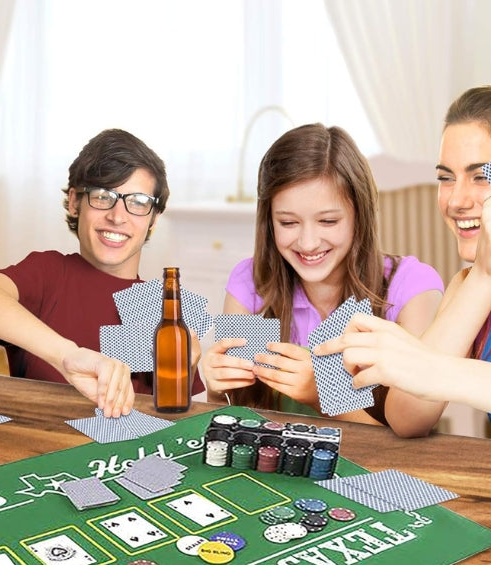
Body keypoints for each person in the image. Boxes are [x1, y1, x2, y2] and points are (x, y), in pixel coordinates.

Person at [202, 123, 444, 431]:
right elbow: (238, 413)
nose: (308, 243)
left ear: (361, 214)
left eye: (328, 221)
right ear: (268, 220)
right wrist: (216, 387)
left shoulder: (410, 288)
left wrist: (321, 395)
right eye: (288, 222)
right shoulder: (251, 284)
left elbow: (411, 434)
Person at [0, 128, 203, 416]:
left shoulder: (164, 306)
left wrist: (185, 373)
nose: (117, 216)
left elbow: (181, 421)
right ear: (74, 202)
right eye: (102, 196)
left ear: (153, 219)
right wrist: (67, 355)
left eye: (137, 203)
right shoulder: (49, 273)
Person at [316, 86, 491, 429]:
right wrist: (485, 276)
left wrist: (433, 369)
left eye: (481, 176)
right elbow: (407, 418)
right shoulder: (470, 284)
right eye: (446, 178)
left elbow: (429, 377)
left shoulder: (411, 279)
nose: (455, 200)